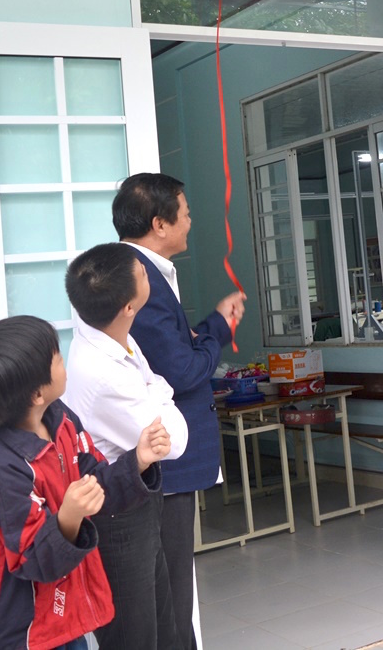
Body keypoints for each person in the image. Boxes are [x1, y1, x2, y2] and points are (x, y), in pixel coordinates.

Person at [0, 315, 170, 650]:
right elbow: (31, 559)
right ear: (37, 393)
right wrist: (69, 516)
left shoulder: (60, 418)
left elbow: (95, 483)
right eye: (56, 358)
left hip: (62, 613)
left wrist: (137, 461)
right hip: (19, 628)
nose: (63, 359)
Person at [112, 172, 246, 649]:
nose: (191, 222)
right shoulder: (139, 279)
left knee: (170, 585)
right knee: (168, 590)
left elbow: (174, 351)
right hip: (165, 458)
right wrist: (217, 334)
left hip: (164, 454)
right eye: (185, 213)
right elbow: (184, 370)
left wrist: (211, 326)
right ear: (160, 224)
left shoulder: (141, 272)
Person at [64, 243, 190, 650]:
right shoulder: (104, 374)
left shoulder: (110, 333)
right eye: (139, 269)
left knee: (163, 626)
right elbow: (175, 441)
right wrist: (161, 391)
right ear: (128, 307)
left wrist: (156, 391)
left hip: (135, 499)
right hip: (117, 517)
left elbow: (158, 398)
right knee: (134, 635)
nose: (143, 267)